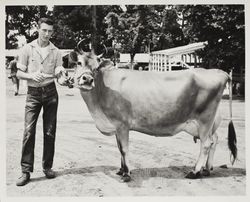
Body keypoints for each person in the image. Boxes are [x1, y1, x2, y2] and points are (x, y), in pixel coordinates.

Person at [16, 17, 66, 186]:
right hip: (33, 94)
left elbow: (59, 73)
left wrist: (63, 78)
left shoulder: (56, 51)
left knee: (49, 131)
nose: (47, 34)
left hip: (51, 93)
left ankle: (47, 167)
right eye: (44, 30)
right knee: (28, 132)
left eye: (50, 31)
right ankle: (25, 171)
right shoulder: (27, 49)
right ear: (38, 29)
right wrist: (31, 75)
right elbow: (19, 73)